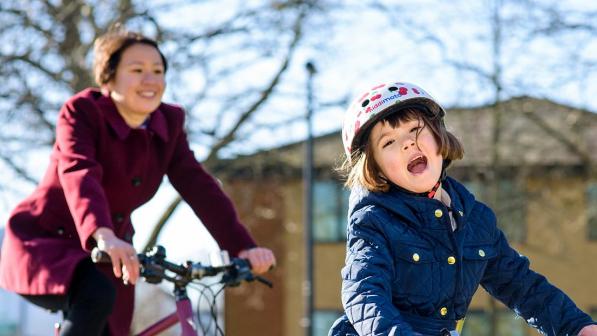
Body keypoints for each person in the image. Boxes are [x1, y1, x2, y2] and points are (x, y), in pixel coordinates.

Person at [0, 28, 275, 336]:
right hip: (49, 242)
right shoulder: (82, 112)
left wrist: (242, 247)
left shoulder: (169, 124)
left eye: (158, 71)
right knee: (96, 295)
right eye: (137, 70)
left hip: (112, 253)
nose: (151, 80)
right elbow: (80, 172)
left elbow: (200, 187)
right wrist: (103, 235)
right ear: (109, 77)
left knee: (111, 323)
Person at [328, 80, 597, 336]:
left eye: (415, 129)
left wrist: (576, 326)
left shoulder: (473, 219)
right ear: (376, 169)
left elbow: (521, 285)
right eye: (388, 142)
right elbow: (364, 295)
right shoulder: (374, 220)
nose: (408, 143)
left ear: (439, 136)